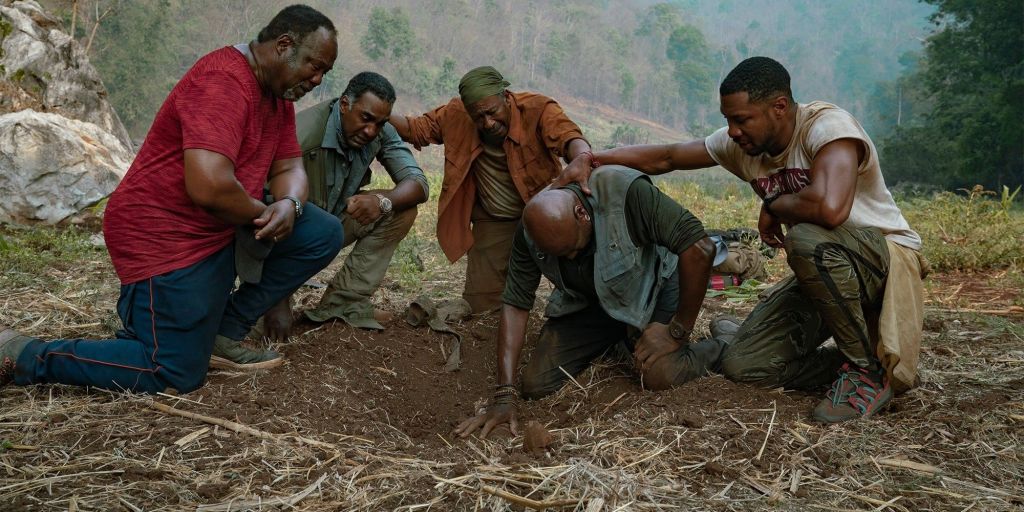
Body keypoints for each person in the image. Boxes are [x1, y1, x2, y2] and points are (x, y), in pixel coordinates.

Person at [557, 56, 926, 423]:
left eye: (741, 119)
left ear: (779, 107)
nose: (732, 131)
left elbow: (831, 210)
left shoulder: (828, 128)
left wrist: (776, 205)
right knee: (744, 365)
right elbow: (667, 157)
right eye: (727, 120)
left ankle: (866, 373)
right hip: (827, 277)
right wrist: (592, 158)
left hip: (884, 262)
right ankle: (855, 363)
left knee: (808, 241)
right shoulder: (744, 146)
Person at [0, 5, 342, 392]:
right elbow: (209, 187)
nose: (317, 80)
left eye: (324, 73)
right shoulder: (223, 82)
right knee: (171, 370)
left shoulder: (278, 97)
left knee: (321, 232)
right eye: (314, 66)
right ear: (283, 46)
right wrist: (265, 212)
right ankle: (25, 354)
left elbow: (289, 169)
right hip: (163, 234)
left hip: (220, 227)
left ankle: (223, 334)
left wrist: (290, 205)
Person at [455, 166, 726, 438]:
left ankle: (723, 345)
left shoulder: (625, 193)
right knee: (537, 384)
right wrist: (504, 395)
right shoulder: (531, 229)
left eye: (573, 249)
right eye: (561, 256)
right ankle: (623, 338)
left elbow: (700, 248)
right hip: (594, 301)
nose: (571, 259)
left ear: (582, 213)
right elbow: (516, 303)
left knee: (658, 375)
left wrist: (677, 330)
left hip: (656, 287)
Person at [389, 66, 594, 313]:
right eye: (478, 117)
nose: (487, 123)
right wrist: (379, 112)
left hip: (545, 216)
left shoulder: (538, 109)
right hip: (494, 220)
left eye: (492, 112)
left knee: (580, 292)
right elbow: (416, 129)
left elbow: (569, 137)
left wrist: (582, 157)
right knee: (481, 307)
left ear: (506, 97)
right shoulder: (457, 114)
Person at [256, 72, 428, 341]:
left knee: (401, 208)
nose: (371, 131)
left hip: (330, 225)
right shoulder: (302, 135)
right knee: (254, 327)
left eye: (380, 123)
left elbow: (418, 183)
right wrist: (278, 298)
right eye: (366, 119)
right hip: (285, 237)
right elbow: (263, 216)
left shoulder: (379, 132)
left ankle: (342, 303)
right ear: (345, 104)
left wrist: (384, 201)